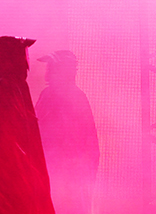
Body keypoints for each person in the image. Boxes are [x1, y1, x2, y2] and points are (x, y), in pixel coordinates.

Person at [0, 36, 54, 214]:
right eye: (21, 55)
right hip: (10, 178)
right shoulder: (9, 87)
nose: (26, 62)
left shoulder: (3, 85)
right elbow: (10, 138)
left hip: (1, 176)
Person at [34, 51, 99, 214]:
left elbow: (82, 143)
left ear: (63, 70)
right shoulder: (49, 95)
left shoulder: (71, 98)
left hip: (66, 175)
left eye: (52, 67)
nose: (48, 71)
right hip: (54, 172)